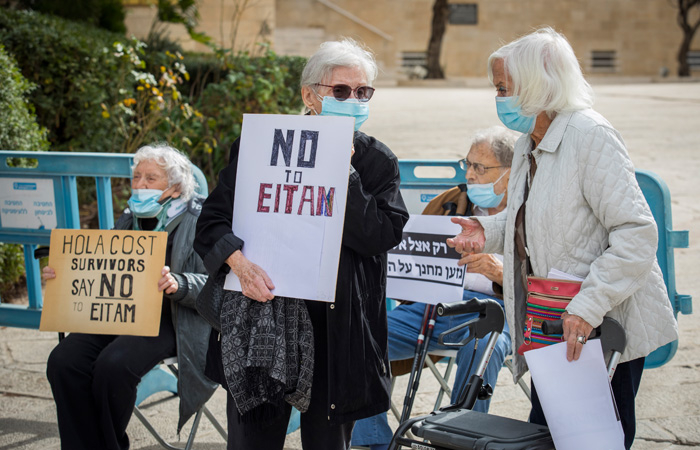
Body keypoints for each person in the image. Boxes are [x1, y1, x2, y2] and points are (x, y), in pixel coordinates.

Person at [447, 27, 679, 450]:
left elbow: (636, 233)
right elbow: (531, 221)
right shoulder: (525, 144)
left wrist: (587, 306)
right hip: (554, 321)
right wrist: (487, 231)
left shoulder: (590, 135)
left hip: (601, 324)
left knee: (593, 441)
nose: (498, 99)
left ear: (537, 85)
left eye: (503, 88)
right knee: (550, 435)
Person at [193, 38, 409, 450]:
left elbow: (381, 235)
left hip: (336, 330)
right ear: (310, 96)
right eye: (341, 91)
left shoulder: (377, 161)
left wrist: (342, 172)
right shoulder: (260, 145)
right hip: (264, 320)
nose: (354, 99)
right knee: (253, 440)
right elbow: (213, 220)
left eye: (362, 92)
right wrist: (240, 265)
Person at [351, 126, 516, 450]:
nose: (469, 174)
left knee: (482, 349)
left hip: (495, 313)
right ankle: (375, 443)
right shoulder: (450, 202)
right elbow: (408, 254)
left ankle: (459, 440)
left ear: (510, 174)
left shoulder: (529, 214)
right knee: (359, 336)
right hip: (434, 304)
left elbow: (541, 278)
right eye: (466, 164)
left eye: (479, 167)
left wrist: (500, 273)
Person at [45, 143, 217, 450]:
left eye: (151, 179)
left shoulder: (201, 219)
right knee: (63, 360)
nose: (139, 185)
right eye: (137, 177)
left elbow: (219, 285)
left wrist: (180, 283)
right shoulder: (129, 217)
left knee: (114, 366)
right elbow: (103, 268)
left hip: (175, 318)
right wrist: (65, 273)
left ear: (175, 187)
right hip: (119, 310)